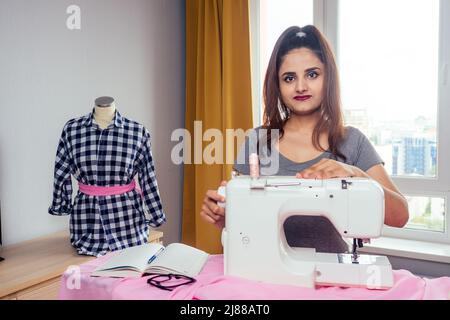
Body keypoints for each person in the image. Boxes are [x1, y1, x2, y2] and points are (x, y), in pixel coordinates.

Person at [200, 25, 409, 253]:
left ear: (328, 78)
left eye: (312, 74)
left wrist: (355, 174)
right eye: (289, 78)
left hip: (331, 276)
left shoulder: (352, 141)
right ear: (277, 86)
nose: (301, 86)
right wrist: (223, 216)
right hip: (269, 275)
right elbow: (242, 222)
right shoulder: (257, 142)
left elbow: (400, 216)